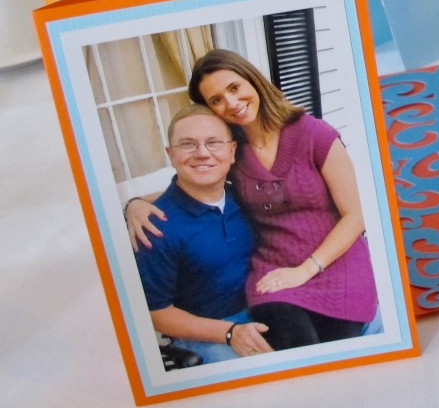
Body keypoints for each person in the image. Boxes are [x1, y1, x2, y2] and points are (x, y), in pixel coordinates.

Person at [129, 49, 377, 350]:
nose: (231, 103)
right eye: (216, 100)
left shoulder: (314, 135)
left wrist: (306, 270)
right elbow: (191, 183)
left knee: (336, 343)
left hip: (333, 261)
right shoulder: (233, 152)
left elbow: (357, 214)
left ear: (252, 81)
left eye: (234, 88)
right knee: (293, 347)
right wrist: (135, 204)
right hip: (273, 271)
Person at [134, 104, 273, 365]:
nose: (202, 153)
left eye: (213, 143)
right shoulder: (155, 226)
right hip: (208, 332)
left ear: (232, 151)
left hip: (268, 308)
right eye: (187, 144)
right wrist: (230, 333)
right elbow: (156, 312)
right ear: (171, 154)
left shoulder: (244, 197)